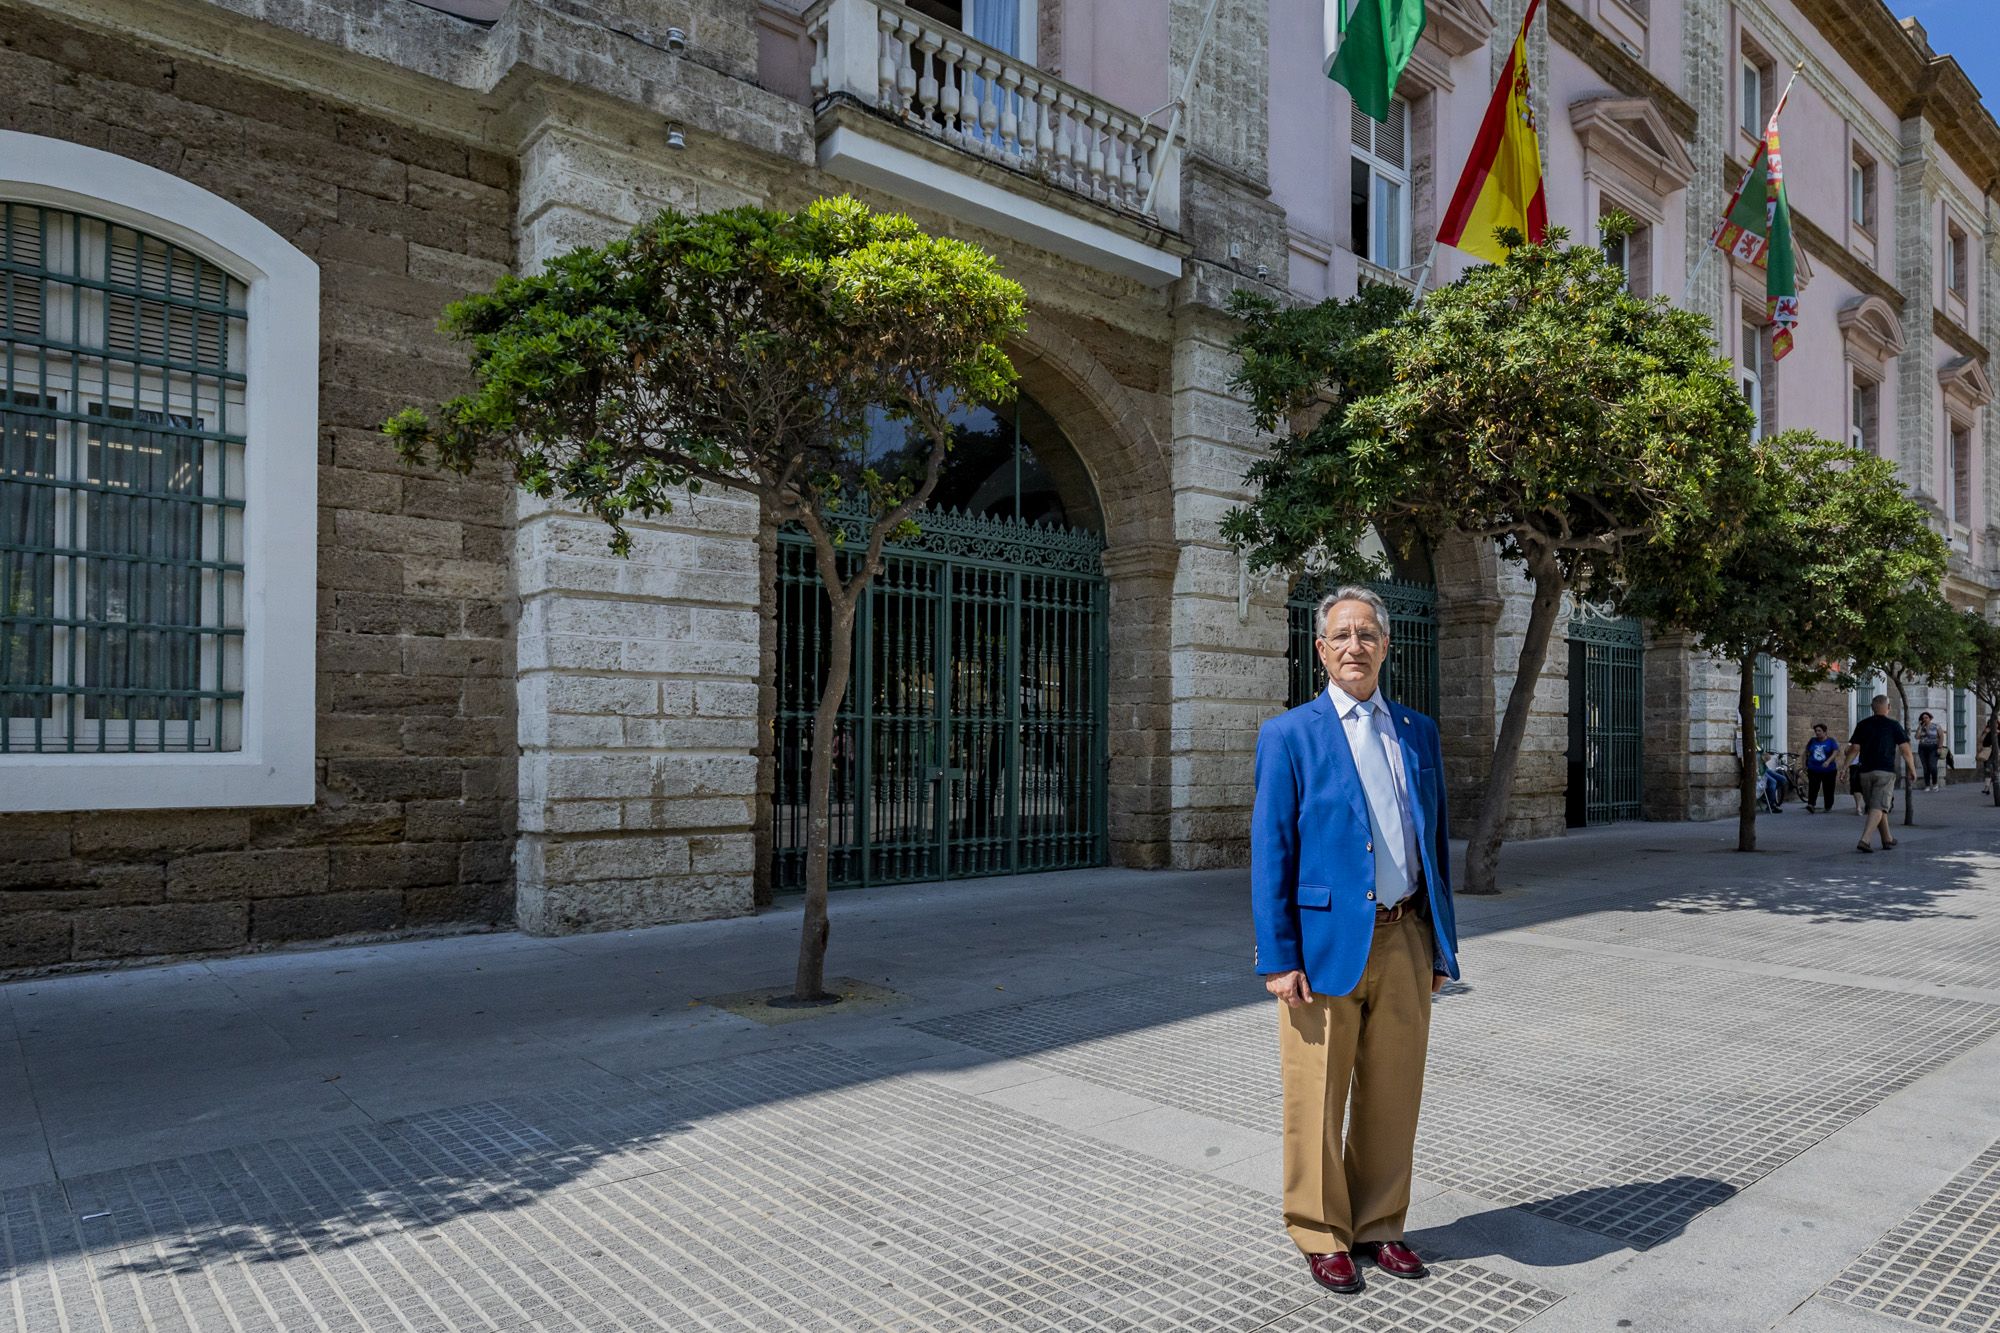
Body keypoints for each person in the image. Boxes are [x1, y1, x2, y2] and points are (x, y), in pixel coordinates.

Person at [1252, 586, 1459, 1297]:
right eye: (1340, 635)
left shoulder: (1417, 730)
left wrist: (1439, 946)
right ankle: (1319, 1231)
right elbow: (1270, 852)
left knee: (1393, 1091)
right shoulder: (1290, 735)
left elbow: (1432, 845)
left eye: (1367, 633)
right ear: (1320, 649)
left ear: (1385, 645)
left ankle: (1378, 1224)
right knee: (1317, 1093)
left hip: (1405, 935)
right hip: (1321, 947)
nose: (1354, 646)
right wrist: (1278, 957)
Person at [1845, 695, 1918, 853]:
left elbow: (1855, 749)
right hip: (1884, 771)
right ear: (1888, 707)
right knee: (1879, 806)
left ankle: (1887, 839)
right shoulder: (1893, 725)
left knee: (1876, 806)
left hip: (1865, 771)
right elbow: (1905, 749)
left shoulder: (1862, 725)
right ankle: (1865, 839)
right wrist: (1912, 769)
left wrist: (1844, 767)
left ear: (1872, 708)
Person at [1802, 723, 1841, 812]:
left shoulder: (1831, 741)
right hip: (1814, 769)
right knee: (1813, 787)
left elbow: (1835, 752)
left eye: (1819, 731)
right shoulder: (1812, 741)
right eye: (1816, 731)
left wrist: (1828, 761)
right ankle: (1811, 804)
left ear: (1825, 732)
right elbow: (1806, 753)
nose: (1817, 733)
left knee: (1828, 788)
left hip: (1829, 770)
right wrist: (1804, 764)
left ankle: (1828, 806)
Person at [1914, 711, 1944, 792]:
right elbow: (1916, 737)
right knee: (1926, 767)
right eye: (1923, 718)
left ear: (1930, 718)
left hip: (1933, 748)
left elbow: (1941, 736)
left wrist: (1940, 747)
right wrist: (1920, 727)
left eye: (1926, 717)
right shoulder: (1921, 727)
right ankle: (1927, 785)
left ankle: (1935, 784)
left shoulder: (1936, 726)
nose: (1925, 719)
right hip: (1922, 749)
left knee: (1932, 766)